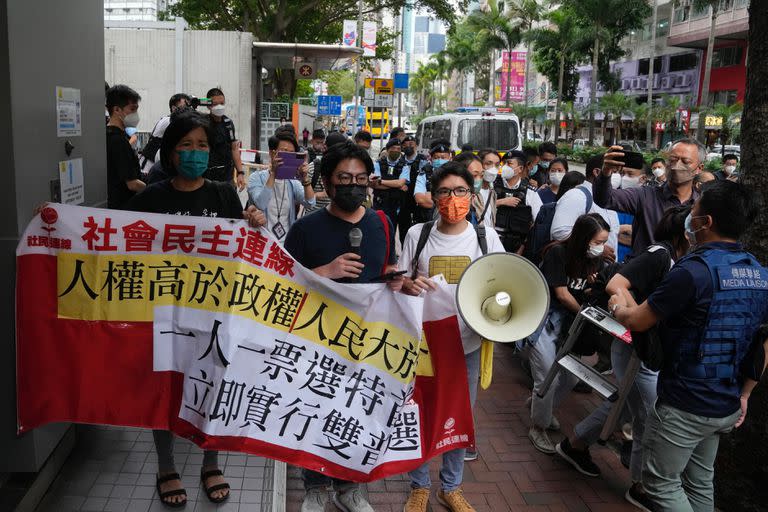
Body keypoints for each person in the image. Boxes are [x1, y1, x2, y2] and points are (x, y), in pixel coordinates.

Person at [126, 110, 266, 508]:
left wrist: (250, 220)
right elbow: (110, 233)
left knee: (211, 383)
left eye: (201, 146)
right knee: (166, 387)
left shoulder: (223, 193)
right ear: (171, 153)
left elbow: (239, 242)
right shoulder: (152, 197)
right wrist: (54, 222)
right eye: (185, 146)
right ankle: (166, 466)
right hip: (166, 312)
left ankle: (210, 460)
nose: (194, 153)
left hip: (214, 310)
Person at [609, 181, 768, 512]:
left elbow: (638, 320)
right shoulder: (758, 272)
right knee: (699, 481)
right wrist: (745, 395)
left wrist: (618, 307)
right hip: (725, 402)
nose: (689, 215)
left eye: (695, 210)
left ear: (705, 222)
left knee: (661, 484)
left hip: (686, 402)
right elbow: (763, 343)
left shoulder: (693, 271)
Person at [284, 140, 401, 512]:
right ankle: (316, 486)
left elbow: (387, 272)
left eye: (360, 178)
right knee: (314, 410)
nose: (353, 185)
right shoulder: (306, 229)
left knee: (358, 413)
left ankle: (351, 487)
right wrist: (324, 273)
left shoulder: (382, 222)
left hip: (367, 341)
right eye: (344, 178)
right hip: (316, 338)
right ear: (329, 184)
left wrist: (399, 281)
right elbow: (282, 283)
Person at [556, 205, 692, 511]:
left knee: (625, 402)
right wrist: (641, 320)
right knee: (649, 417)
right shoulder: (659, 253)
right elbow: (616, 284)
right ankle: (640, 484)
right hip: (635, 348)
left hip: (644, 349)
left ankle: (575, 444)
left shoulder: (682, 258)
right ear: (684, 229)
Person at [399, 161, 505, 512]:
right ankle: (419, 486)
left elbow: (505, 284)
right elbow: (400, 282)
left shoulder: (485, 237)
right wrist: (409, 284)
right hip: (423, 345)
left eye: (460, 191)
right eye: (444, 192)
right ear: (433, 197)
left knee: (460, 415)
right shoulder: (418, 235)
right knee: (419, 412)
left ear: (472, 197)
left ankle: (451, 486)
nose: (453, 199)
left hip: (467, 345)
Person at [527, 214, 611, 454]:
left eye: (604, 242)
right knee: (546, 377)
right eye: (597, 242)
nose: (600, 247)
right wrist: (585, 312)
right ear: (583, 238)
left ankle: (540, 404)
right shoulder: (557, 253)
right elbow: (562, 295)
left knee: (571, 377)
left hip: (571, 327)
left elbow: (587, 292)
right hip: (546, 321)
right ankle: (538, 426)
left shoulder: (595, 261)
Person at [593, 139, 703, 257]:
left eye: (685, 161)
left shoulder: (702, 205)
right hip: (643, 273)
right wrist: (606, 171)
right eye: (673, 160)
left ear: (699, 168)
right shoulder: (645, 196)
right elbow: (604, 199)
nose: (677, 165)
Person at [247, 132, 315, 241]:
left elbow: (310, 203)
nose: (288, 156)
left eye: (292, 153)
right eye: (284, 152)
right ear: (272, 153)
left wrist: (305, 178)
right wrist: (274, 173)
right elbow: (261, 203)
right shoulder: (256, 178)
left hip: (286, 243)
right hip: (261, 241)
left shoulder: (293, 181)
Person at [106, 84, 146, 209]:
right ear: (117, 110)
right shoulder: (117, 140)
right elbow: (132, 184)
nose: (136, 114)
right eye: (132, 109)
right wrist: (153, 191)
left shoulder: (112, 135)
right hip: (122, 206)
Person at [493, 151, 542, 253]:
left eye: (509, 164)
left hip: (517, 247)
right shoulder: (492, 186)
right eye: (504, 163)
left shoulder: (530, 192)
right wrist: (500, 202)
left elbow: (538, 222)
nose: (505, 167)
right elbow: (479, 209)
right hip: (492, 242)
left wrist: (523, 247)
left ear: (520, 169)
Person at [140, 93, 192, 174]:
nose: (187, 110)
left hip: (160, 166)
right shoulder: (167, 121)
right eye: (184, 107)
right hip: (147, 167)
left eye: (189, 107)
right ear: (174, 108)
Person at [204, 87, 242, 182]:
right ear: (208, 105)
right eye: (215, 104)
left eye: (221, 103)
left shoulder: (228, 123)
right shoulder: (203, 123)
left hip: (227, 175)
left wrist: (240, 172)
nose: (219, 106)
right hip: (208, 176)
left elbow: (234, 148)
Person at [305, 132, 346, 215]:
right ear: (325, 148)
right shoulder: (313, 167)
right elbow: (302, 196)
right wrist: (318, 195)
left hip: (337, 217)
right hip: (314, 217)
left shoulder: (347, 169)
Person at [413, 140, 453, 224]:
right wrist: (447, 201)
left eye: (443, 157)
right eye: (436, 157)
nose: (439, 160)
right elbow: (420, 199)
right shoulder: (424, 174)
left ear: (450, 158)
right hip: (427, 220)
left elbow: (457, 201)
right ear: (431, 158)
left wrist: (429, 196)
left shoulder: (456, 174)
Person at [372, 138, 409, 227]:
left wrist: (381, 181)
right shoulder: (378, 163)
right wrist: (396, 184)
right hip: (379, 203)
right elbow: (375, 184)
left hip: (395, 205)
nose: (395, 151)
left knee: (391, 229)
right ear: (387, 149)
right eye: (393, 148)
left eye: (398, 149)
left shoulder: (405, 166)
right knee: (378, 227)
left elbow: (400, 183)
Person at [399, 135, 428, 244]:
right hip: (403, 198)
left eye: (411, 145)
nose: (408, 147)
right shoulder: (400, 160)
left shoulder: (423, 160)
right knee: (404, 227)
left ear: (416, 145)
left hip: (418, 197)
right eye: (405, 145)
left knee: (419, 226)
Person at [454, 151, 494, 231]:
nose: (479, 180)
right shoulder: (451, 203)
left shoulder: (474, 198)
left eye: (481, 175)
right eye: (474, 175)